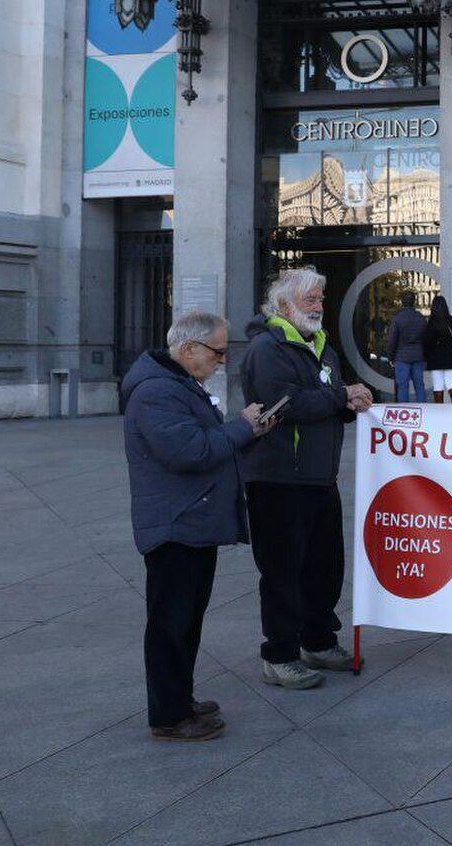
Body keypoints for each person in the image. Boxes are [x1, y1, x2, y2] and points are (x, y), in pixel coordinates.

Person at [122, 311, 275, 741]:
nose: (222, 360)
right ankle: (169, 715)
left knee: (186, 619)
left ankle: (180, 699)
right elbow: (190, 451)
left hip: (191, 519)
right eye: (218, 352)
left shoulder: (177, 383)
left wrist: (247, 431)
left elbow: (203, 444)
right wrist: (243, 427)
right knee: (171, 623)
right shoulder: (156, 392)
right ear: (188, 349)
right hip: (175, 524)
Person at [240, 269, 373, 690]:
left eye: (320, 299)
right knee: (282, 572)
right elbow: (287, 404)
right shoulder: (268, 348)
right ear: (284, 305)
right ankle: (280, 656)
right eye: (310, 300)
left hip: (318, 477)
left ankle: (318, 641)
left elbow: (326, 400)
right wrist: (341, 396)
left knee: (324, 567)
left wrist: (350, 403)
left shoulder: (320, 346)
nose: (319, 307)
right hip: (279, 479)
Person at [384, 292, 427, 405]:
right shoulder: (421, 318)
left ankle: (403, 410)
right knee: (419, 386)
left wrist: (390, 357)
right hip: (418, 355)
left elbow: (392, 341)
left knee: (402, 386)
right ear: (414, 302)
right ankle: (425, 410)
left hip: (401, 357)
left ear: (402, 302)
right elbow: (426, 338)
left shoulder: (397, 318)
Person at [422, 293, 452, 403]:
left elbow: (427, 342)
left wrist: (426, 356)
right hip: (450, 357)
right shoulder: (451, 320)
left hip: (435, 359)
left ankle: (439, 410)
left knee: (438, 386)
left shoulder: (431, 323)